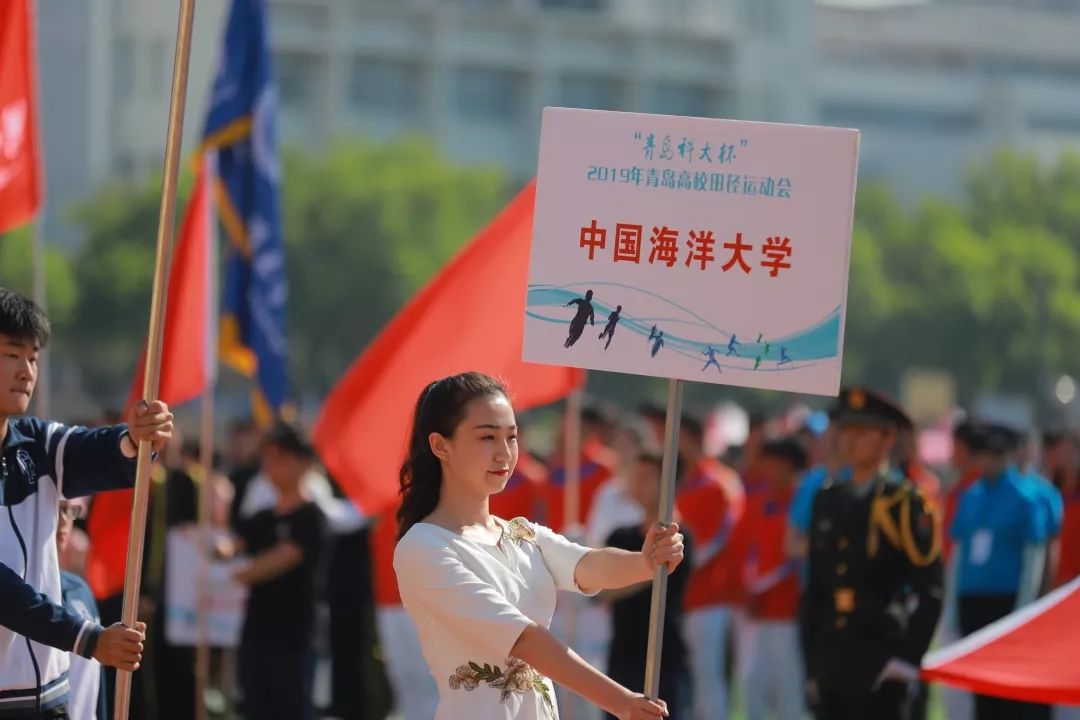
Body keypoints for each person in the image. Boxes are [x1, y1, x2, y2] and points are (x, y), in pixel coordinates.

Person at [392, 372, 684, 719]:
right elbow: (523, 638)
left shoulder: (522, 534)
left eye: (511, 437)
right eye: (487, 437)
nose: (504, 453)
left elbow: (588, 565)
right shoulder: (425, 547)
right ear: (441, 445)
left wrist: (646, 560)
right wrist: (620, 701)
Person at [1, 287, 168, 719]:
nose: (27, 371)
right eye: (12, 354)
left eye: (34, 358)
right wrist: (89, 640)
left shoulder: (36, 442)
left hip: (50, 697)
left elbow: (97, 451)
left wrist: (135, 437)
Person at [800, 387, 943, 720]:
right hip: (832, 652)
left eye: (862, 433)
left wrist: (907, 660)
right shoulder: (828, 499)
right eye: (846, 431)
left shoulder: (904, 502)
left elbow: (931, 590)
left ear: (887, 438)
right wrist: (811, 664)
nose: (850, 441)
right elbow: (816, 589)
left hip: (881, 652)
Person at [947, 422, 1048, 720]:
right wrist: (954, 607)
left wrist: (1024, 608)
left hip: (1006, 601)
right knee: (979, 689)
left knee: (1006, 690)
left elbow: (1034, 556)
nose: (987, 462)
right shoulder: (972, 495)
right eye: (984, 455)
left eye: (994, 455)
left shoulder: (1024, 497)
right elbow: (960, 553)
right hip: (973, 599)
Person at [228, 422, 328, 720]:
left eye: (281, 458)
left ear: (304, 463)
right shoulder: (261, 518)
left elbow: (281, 559)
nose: (272, 467)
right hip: (257, 634)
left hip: (293, 638)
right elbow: (232, 544)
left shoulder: (311, 517)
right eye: (268, 458)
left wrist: (232, 575)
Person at [604, 452, 692, 720]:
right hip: (623, 652)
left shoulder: (679, 539)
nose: (638, 484)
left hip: (665, 654)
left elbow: (669, 577)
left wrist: (638, 572)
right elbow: (604, 590)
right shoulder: (620, 535)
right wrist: (647, 568)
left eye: (646, 477)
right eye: (636, 477)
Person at [674, 414, 744, 720]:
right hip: (679, 600)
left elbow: (721, 538)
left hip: (709, 599)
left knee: (708, 684)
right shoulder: (676, 482)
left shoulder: (720, 482)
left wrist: (685, 564)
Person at [732, 438, 806, 720]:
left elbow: (793, 560)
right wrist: (745, 592)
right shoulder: (757, 504)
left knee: (788, 695)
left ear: (789, 466)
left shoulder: (802, 503)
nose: (767, 470)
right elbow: (742, 552)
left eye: (774, 463)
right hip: (753, 615)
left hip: (788, 615)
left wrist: (761, 590)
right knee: (752, 691)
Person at [57, 499, 106, 720]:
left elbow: (95, 683)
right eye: (55, 509)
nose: (63, 521)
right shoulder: (15, 597)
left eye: (68, 510)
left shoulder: (81, 591)